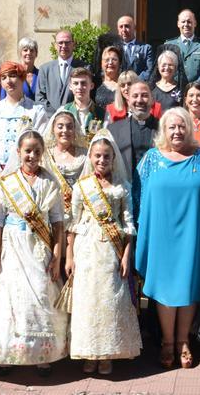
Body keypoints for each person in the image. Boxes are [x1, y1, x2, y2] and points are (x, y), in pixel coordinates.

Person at [0, 130, 69, 377]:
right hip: (12, 248)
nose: (32, 155)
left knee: (40, 293)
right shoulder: (6, 183)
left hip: (40, 248)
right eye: (27, 151)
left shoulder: (50, 182)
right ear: (18, 152)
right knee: (10, 299)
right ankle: (5, 354)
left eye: (37, 151)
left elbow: (58, 223)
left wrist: (57, 257)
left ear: (42, 153)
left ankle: (43, 355)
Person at [134, 107, 200, 369]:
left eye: (181, 126)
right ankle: (167, 342)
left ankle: (183, 341)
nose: (177, 131)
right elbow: (136, 199)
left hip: (194, 235)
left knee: (189, 287)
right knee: (164, 290)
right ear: (163, 131)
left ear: (189, 128)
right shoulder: (150, 160)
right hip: (160, 237)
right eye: (171, 127)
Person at [65, 130, 142, 374]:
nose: (101, 160)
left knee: (110, 299)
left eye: (106, 156)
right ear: (90, 158)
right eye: (97, 156)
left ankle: (107, 352)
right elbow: (72, 224)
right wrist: (69, 256)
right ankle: (89, 351)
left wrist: (126, 256)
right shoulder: (82, 186)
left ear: (113, 158)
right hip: (86, 249)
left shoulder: (123, 187)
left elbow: (129, 224)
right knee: (88, 300)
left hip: (112, 250)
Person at [0, 61, 50, 169]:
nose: (8, 81)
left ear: (22, 78)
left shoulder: (36, 110)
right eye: (4, 78)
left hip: (27, 168)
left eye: (12, 76)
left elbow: (42, 141)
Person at [41, 110, 88, 226]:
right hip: (51, 211)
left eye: (69, 127)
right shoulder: (45, 155)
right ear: (53, 129)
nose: (65, 131)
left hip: (78, 212)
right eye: (60, 127)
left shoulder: (85, 155)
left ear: (75, 129)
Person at [110, 81, 159, 183]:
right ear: (128, 101)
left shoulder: (164, 129)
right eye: (135, 96)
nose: (139, 100)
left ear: (152, 100)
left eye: (145, 95)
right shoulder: (113, 131)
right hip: (125, 191)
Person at [36, 29, 90, 114]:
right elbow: (39, 97)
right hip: (50, 120)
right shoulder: (45, 69)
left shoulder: (85, 68)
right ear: (55, 46)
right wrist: (56, 115)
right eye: (60, 43)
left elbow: (87, 95)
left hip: (76, 118)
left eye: (67, 42)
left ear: (74, 44)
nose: (64, 46)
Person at [164, 9, 200, 83]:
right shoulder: (168, 45)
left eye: (189, 22)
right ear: (178, 24)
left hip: (198, 90)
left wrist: (194, 86)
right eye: (183, 22)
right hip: (174, 89)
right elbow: (164, 68)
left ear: (195, 23)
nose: (186, 24)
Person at [61, 67, 107, 143]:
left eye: (83, 83)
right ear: (70, 87)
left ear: (91, 86)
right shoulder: (63, 111)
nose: (79, 87)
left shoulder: (104, 114)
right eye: (75, 83)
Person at [0, 37, 41, 102]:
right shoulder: (12, 74)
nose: (28, 53)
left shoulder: (41, 75)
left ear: (36, 53)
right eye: (25, 50)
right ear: (20, 53)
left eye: (32, 50)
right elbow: (3, 97)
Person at [117, 15, 154, 80]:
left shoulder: (146, 48)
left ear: (134, 28)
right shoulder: (114, 49)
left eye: (127, 26)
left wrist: (135, 82)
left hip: (138, 86)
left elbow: (149, 70)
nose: (124, 29)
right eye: (121, 27)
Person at [92, 45, 125, 111]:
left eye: (114, 59)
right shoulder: (95, 83)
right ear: (101, 63)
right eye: (107, 60)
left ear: (120, 63)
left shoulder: (125, 84)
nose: (110, 63)